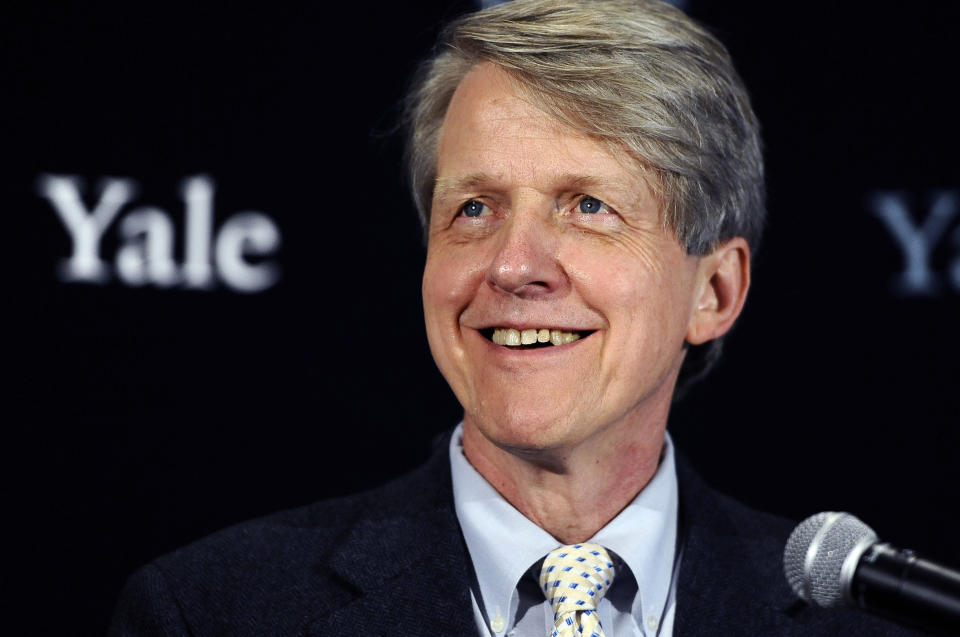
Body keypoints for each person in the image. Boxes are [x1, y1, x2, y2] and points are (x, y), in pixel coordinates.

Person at [110, 1, 921, 635]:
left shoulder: (864, 623)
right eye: (473, 208)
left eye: (589, 206)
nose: (511, 263)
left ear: (714, 292)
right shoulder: (213, 613)